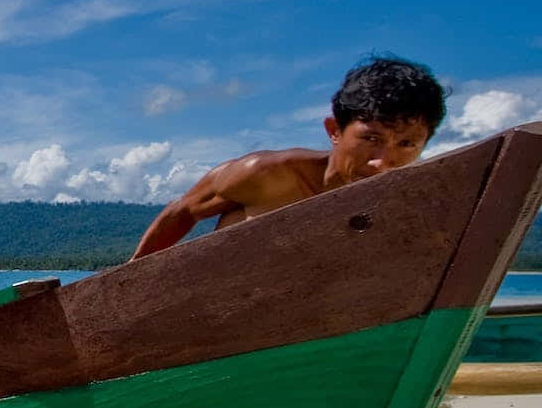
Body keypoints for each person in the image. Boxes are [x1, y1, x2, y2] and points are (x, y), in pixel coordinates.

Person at [130, 56, 447, 260]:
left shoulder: (414, 201)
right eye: (371, 139)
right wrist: (128, 278)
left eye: (406, 144)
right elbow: (183, 211)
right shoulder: (267, 175)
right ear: (335, 130)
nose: (382, 161)